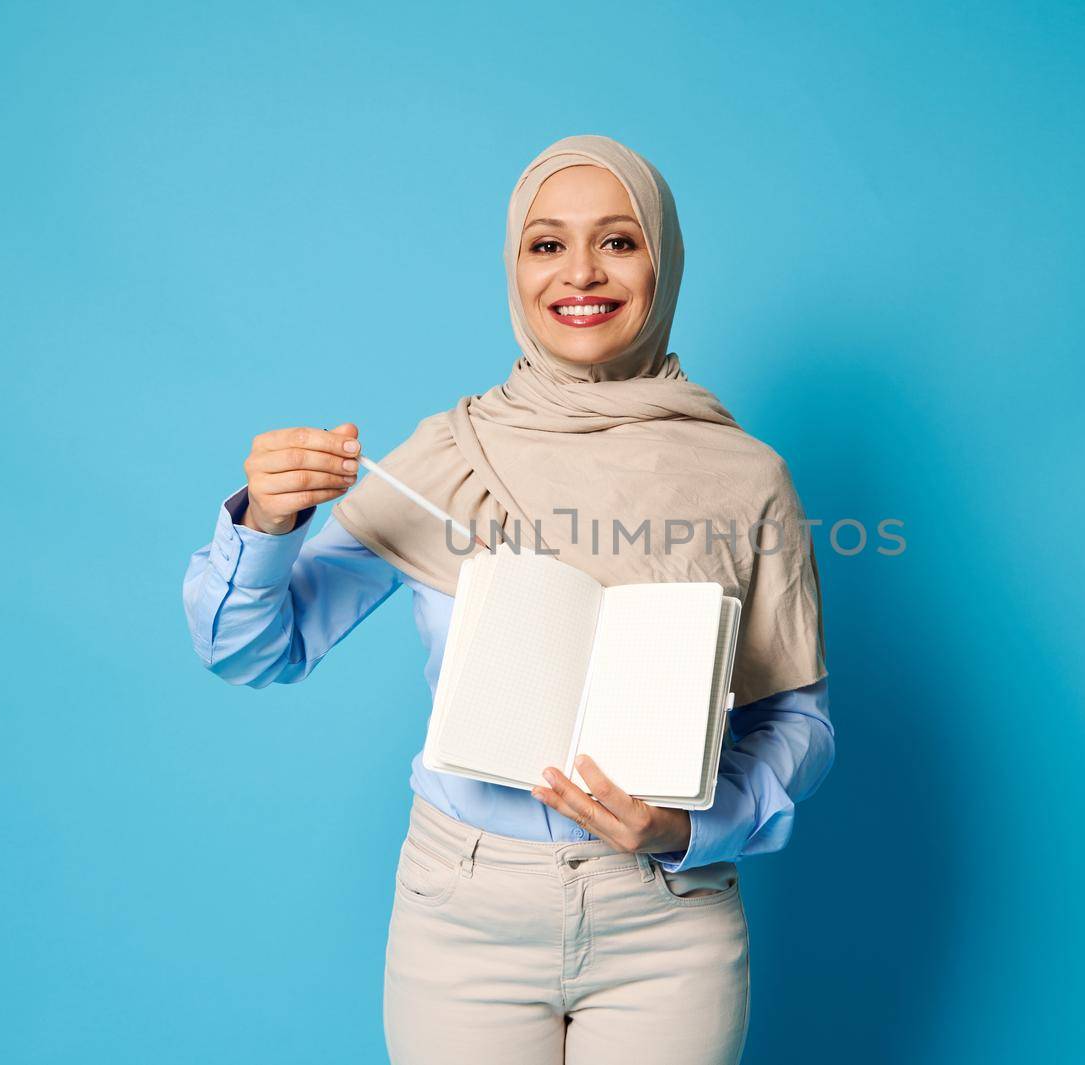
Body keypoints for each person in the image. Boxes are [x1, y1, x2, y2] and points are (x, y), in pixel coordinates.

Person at [181, 134, 834, 1064]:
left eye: (618, 241)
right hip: (463, 911)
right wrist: (268, 523)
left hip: (668, 916)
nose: (581, 273)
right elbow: (255, 649)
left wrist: (693, 826)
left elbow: (798, 722)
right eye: (546, 244)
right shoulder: (450, 457)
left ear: (664, 259)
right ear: (514, 267)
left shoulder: (746, 477)